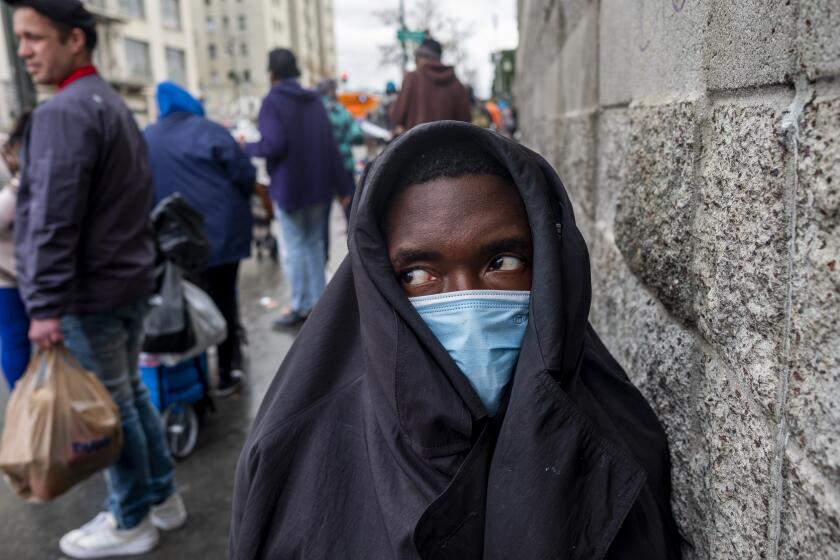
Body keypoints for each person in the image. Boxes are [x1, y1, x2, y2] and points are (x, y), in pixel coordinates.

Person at [230, 121, 682, 558]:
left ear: (549, 266)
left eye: (502, 262)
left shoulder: (619, 440)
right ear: (376, 283)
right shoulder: (290, 459)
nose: (467, 310)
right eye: (418, 274)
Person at [8, 1, 185, 557]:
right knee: (127, 398)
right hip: (123, 284)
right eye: (20, 39)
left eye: (35, 38)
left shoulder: (65, 112)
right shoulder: (106, 102)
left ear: (76, 40)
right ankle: (161, 500)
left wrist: (43, 306)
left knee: (110, 409)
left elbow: (53, 217)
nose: (23, 51)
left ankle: (131, 520)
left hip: (92, 292)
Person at [144, 81, 256, 397]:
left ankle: (193, 378)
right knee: (223, 299)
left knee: (182, 302)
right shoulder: (211, 131)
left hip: (173, 241)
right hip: (221, 235)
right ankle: (227, 370)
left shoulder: (147, 137)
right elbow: (244, 175)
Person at [243, 48, 353, 329]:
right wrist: (343, 186)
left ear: (272, 74)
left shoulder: (272, 101)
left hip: (290, 189)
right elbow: (330, 145)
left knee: (295, 248)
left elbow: (274, 144)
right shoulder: (313, 100)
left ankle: (302, 306)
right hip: (319, 187)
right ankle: (320, 307)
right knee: (314, 245)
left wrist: (246, 147)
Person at [0, 111, 31, 389]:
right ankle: (24, 397)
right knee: (15, 338)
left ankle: (25, 396)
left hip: (14, 275)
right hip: (11, 276)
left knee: (15, 338)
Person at [317, 77, 362, 258]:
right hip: (344, 167)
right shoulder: (341, 111)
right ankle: (357, 257)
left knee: (322, 220)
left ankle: (323, 259)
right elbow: (357, 135)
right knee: (352, 218)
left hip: (323, 170)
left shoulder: (316, 112)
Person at [389, 37, 472, 133]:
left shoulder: (411, 78)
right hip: (447, 146)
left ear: (419, 56)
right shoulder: (457, 85)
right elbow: (466, 122)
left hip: (416, 145)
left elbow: (396, 116)